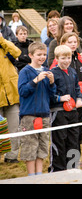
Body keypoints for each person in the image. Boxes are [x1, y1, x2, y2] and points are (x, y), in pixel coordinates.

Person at [17, 42, 56, 176]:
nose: (42, 57)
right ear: (31, 55)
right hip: (29, 116)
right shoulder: (25, 71)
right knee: (30, 145)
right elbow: (22, 91)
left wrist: (51, 83)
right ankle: (31, 175)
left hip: (44, 114)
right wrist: (35, 81)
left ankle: (39, 174)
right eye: (39, 55)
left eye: (44, 54)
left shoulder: (46, 70)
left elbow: (51, 95)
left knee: (43, 144)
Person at [49, 45, 82, 172]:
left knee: (74, 139)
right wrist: (60, 98)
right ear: (57, 58)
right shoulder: (52, 73)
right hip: (58, 113)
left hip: (73, 111)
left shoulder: (73, 72)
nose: (66, 60)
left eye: (68, 57)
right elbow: (49, 94)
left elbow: (77, 89)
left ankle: (73, 167)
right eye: (63, 58)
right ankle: (58, 170)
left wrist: (79, 99)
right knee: (60, 140)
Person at [57, 32, 82, 150]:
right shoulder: (60, 61)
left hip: (78, 99)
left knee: (78, 131)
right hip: (64, 103)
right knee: (65, 134)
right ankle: (65, 160)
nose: (73, 44)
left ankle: (75, 160)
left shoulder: (79, 58)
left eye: (75, 42)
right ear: (63, 44)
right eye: (69, 42)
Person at [0, 31, 21, 163]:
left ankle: (12, 156)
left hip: (12, 94)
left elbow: (17, 52)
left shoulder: (5, 46)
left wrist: (2, 40)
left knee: (14, 126)